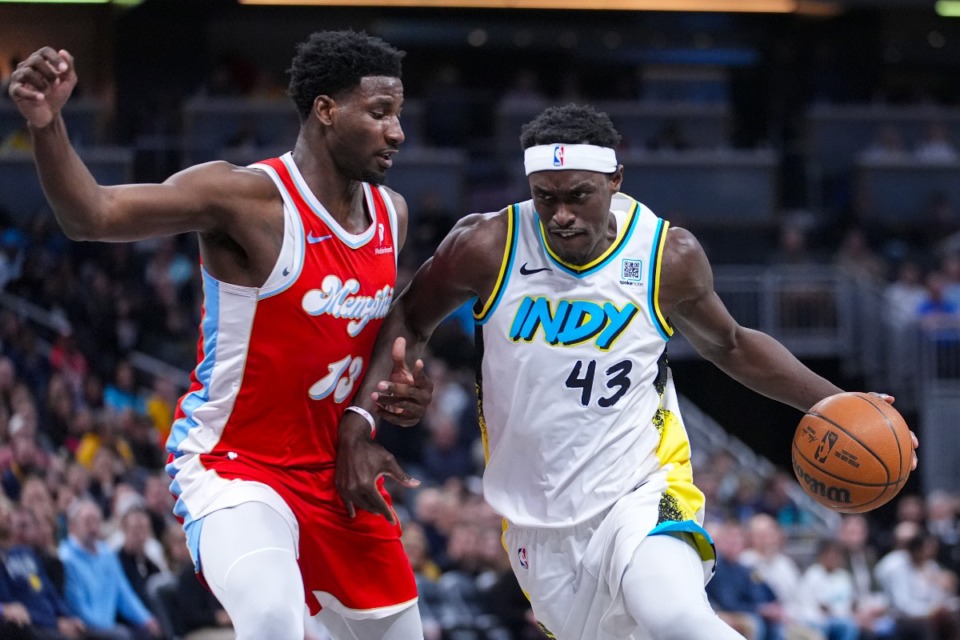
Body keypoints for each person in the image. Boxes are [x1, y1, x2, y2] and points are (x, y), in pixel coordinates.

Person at [336, 103, 920, 640]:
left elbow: (733, 344)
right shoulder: (488, 245)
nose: (560, 215)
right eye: (545, 197)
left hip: (641, 487)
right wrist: (396, 382)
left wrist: (842, 402)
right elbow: (410, 314)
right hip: (536, 519)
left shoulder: (667, 254)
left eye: (578, 195)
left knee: (676, 614)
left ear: (614, 181)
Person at [8, 29, 432, 640]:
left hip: (333, 473)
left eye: (398, 113)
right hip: (236, 464)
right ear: (326, 110)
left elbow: (391, 329)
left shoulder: (392, 210)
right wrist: (47, 125)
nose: (397, 132)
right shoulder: (244, 198)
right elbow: (91, 216)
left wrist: (385, 400)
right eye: (380, 112)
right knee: (270, 618)